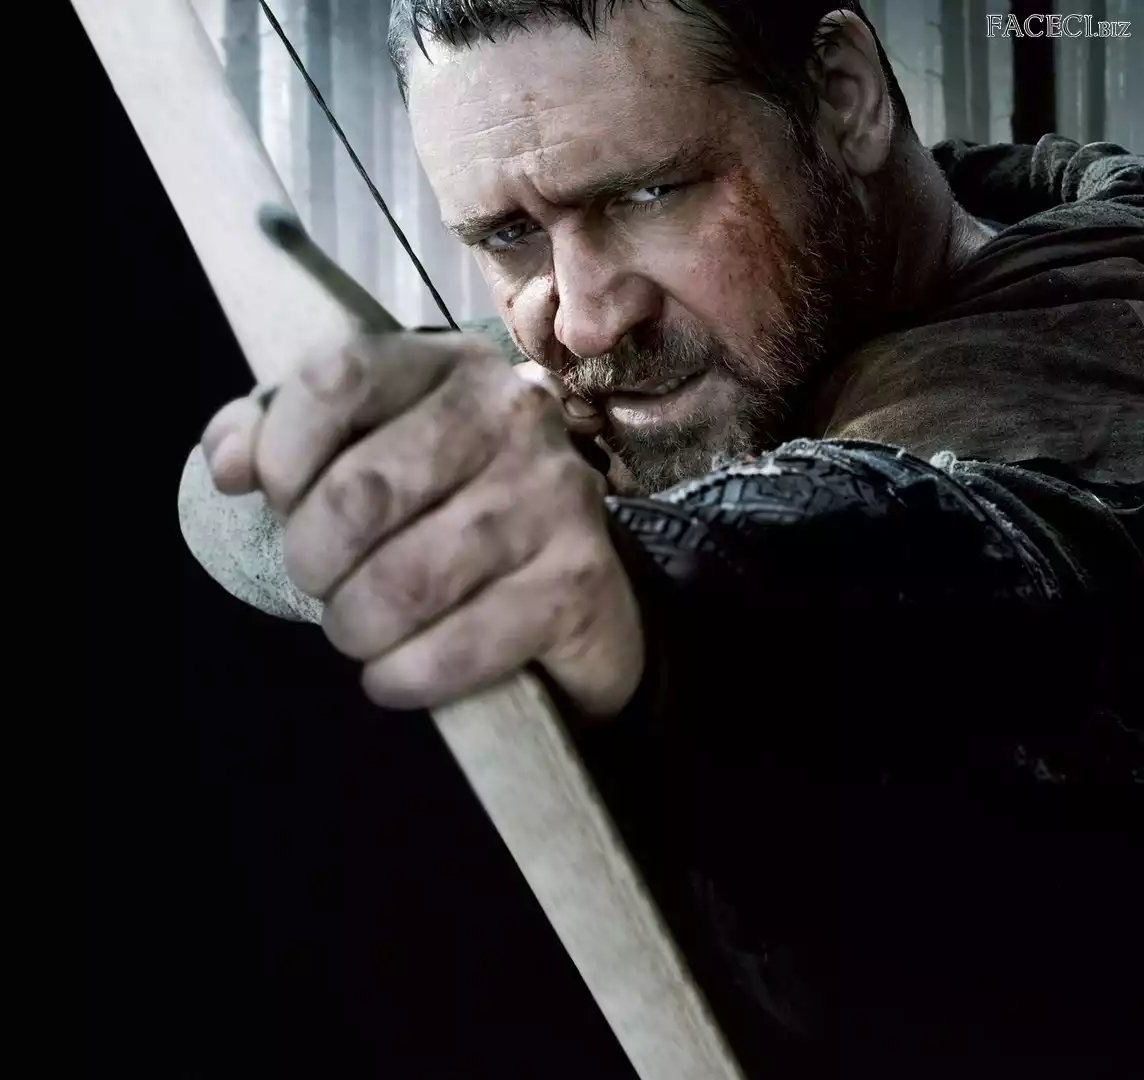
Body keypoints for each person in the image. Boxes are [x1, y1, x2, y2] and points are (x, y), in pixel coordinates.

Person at [177, 2, 1143, 1076]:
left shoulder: (1099, 346)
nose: (584, 322)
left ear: (842, 95)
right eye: (507, 236)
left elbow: (924, 550)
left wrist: (633, 586)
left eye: (645, 195)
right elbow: (230, 484)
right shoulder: (806, 284)